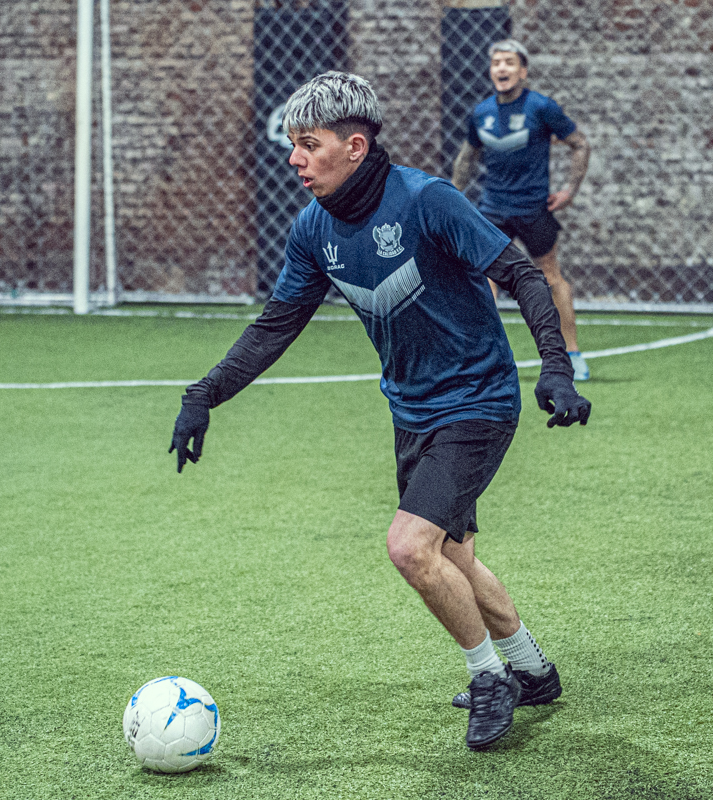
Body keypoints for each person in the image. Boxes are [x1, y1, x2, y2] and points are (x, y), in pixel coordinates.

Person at [169, 71, 591, 751]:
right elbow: (276, 326)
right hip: (410, 410)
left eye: (309, 145)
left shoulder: (427, 200)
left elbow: (521, 273)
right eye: (294, 145)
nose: (294, 159)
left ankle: (490, 679)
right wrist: (203, 394)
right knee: (452, 554)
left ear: (355, 147)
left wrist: (558, 367)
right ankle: (533, 671)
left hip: (478, 401)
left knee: (409, 546)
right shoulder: (313, 229)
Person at [453, 39, 592, 381]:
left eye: (509, 62)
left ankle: (572, 355)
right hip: (493, 210)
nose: (502, 68)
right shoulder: (481, 113)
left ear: (523, 71)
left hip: (533, 209)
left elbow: (580, 144)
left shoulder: (542, 107)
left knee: (550, 276)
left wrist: (570, 191)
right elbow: (467, 157)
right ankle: (484, 358)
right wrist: (453, 197)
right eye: (496, 62)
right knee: (483, 279)